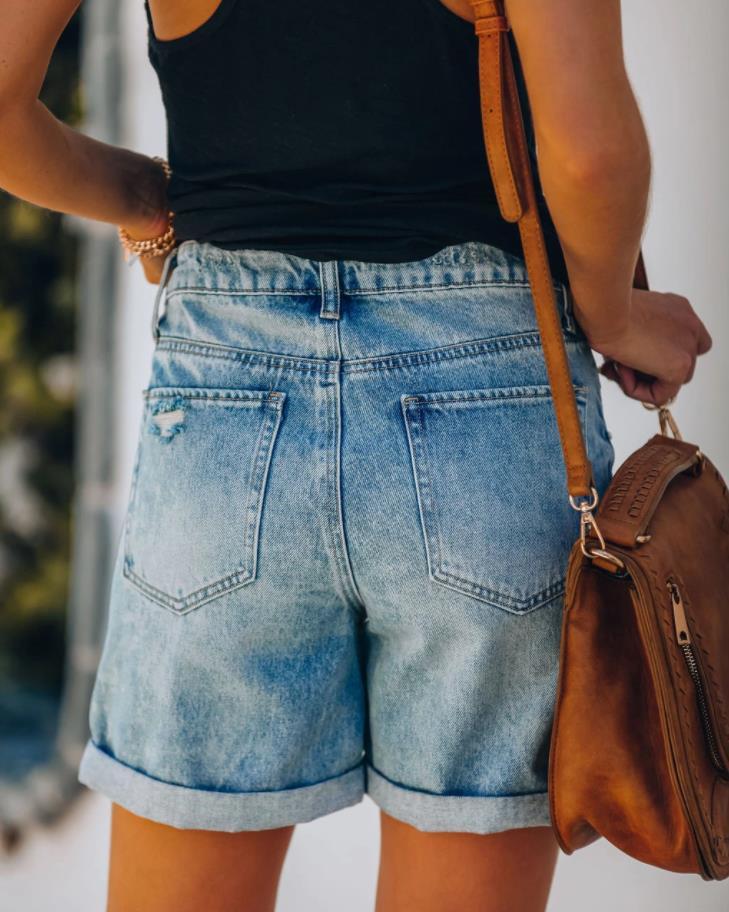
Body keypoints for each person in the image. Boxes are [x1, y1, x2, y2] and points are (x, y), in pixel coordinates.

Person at [0, 0, 712, 910]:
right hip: (483, 391)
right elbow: (589, 153)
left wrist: (153, 198)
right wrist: (612, 314)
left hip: (223, 398)